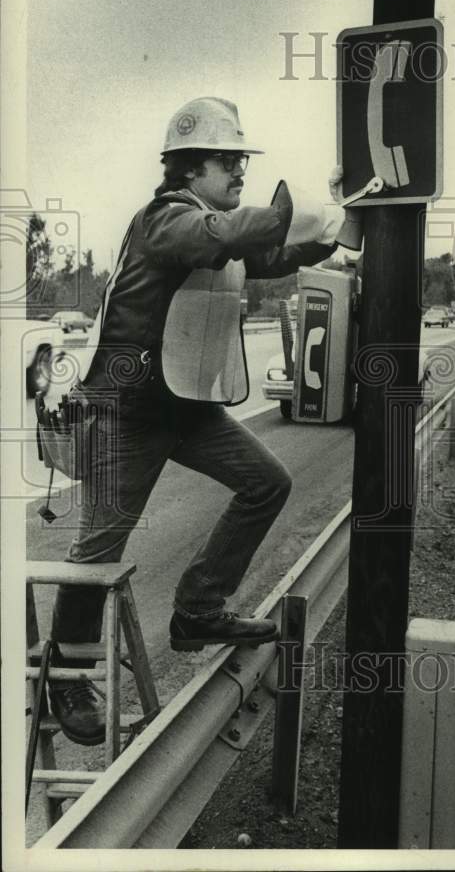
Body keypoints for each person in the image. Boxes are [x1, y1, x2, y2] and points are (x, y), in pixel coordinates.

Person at [47, 97, 345, 746]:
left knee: (266, 483)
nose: (239, 169)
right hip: (124, 413)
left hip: (182, 405)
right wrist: (296, 211)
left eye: (241, 159)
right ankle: (63, 679)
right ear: (188, 170)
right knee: (98, 554)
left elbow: (265, 255)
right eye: (227, 159)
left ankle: (199, 612)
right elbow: (228, 234)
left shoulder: (214, 231)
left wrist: (330, 235)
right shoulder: (167, 220)